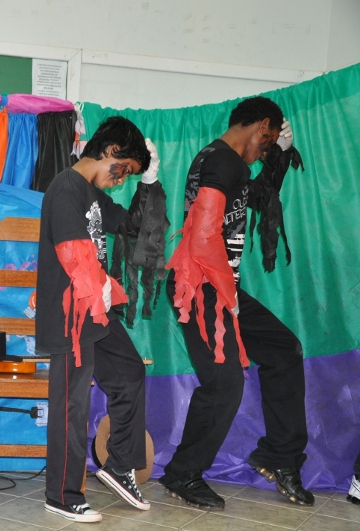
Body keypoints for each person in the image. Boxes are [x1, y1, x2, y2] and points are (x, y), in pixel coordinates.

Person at [161, 96, 312, 510]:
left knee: (283, 349)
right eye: (268, 141)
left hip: (219, 286)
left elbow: (255, 196)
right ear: (262, 125)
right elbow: (203, 238)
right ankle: (182, 473)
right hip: (202, 286)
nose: (264, 150)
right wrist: (226, 296)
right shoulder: (222, 162)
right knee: (225, 382)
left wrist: (278, 157)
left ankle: (279, 456)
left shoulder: (225, 162)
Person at [36, 116, 157, 523]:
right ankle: (62, 495)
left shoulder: (92, 193)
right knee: (72, 403)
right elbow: (72, 251)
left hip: (94, 309)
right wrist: (99, 286)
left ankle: (120, 465)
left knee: (129, 373)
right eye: (124, 169)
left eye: (129, 175)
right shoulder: (66, 187)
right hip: (70, 314)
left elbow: (133, 225)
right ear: (108, 151)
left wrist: (149, 183)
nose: (122, 179)